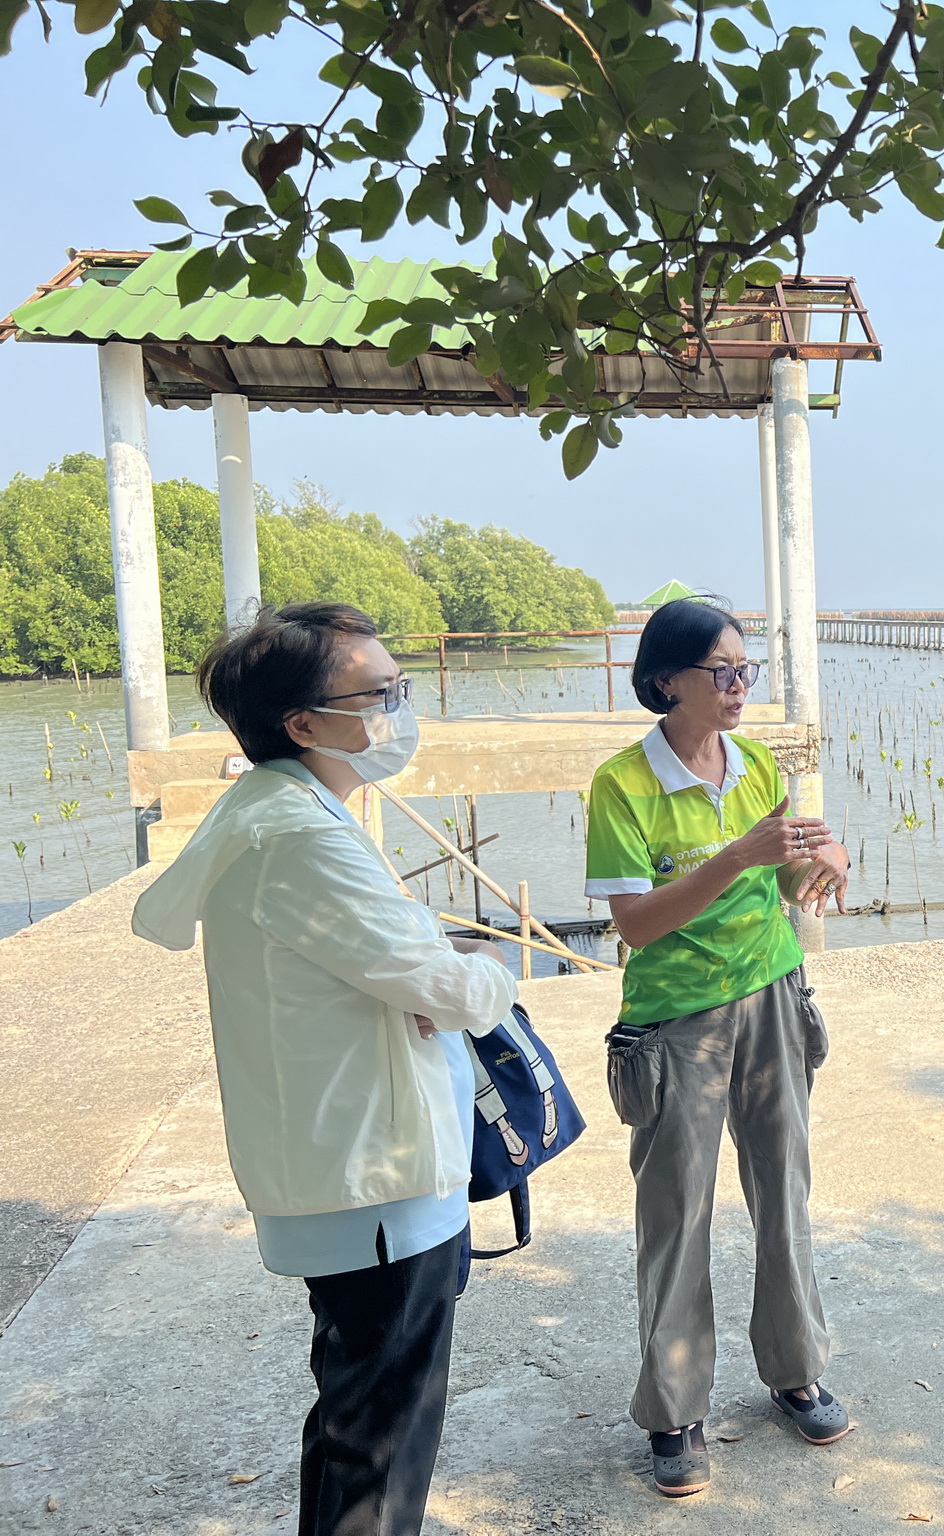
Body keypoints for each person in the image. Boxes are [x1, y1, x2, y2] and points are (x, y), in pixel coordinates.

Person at [132, 603, 517, 1536]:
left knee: (358, 1423)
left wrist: (434, 970)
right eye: (379, 694)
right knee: (380, 1445)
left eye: (400, 686)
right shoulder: (300, 838)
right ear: (303, 723)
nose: (399, 708)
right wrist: (488, 971)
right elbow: (449, 987)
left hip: (355, 1166)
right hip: (373, 1182)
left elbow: (400, 964)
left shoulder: (284, 807)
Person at [584, 597, 852, 1497]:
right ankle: (674, 1410)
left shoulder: (758, 764)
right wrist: (736, 855)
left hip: (772, 992)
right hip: (676, 1020)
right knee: (676, 1214)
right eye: (722, 672)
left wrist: (824, 860)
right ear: (668, 681)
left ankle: (796, 1371)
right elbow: (635, 924)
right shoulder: (623, 785)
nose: (739, 687)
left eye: (747, 670)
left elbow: (788, 870)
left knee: (785, 1190)